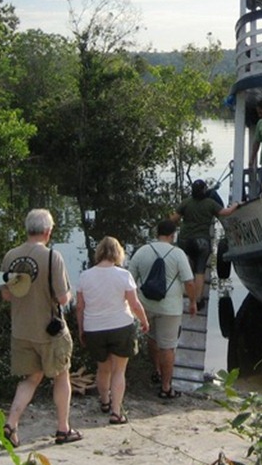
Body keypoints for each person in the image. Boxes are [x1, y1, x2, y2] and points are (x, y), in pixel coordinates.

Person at [0, 209, 82, 447]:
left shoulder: (10, 256)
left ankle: (12, 423)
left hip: (21, 330)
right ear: (48, 231)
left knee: (30, 378)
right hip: (49, 331)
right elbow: (63, 298)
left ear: (27, 229)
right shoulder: (52, 257)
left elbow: (6, 294)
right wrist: (70, 291)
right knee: (61, 375)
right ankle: (63, 428)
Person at [75, 236, 149, 426]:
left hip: (94, 328)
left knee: (103, 368)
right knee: (119, 370)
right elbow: (134, 304)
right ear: (118, 253)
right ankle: (116, 412)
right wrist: (144, 321)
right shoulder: (123, 275)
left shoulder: (85, 276)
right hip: (120, 326)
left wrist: (81, 329)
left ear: (99, 252)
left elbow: (80, 308)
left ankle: (105, 402)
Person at [127, 221, 194, 400]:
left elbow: (129, 279)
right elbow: (189, 281)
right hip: (170, 308)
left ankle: (156, 370)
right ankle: (166, 387)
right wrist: (193, 302)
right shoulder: (178, 254)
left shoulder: (142, 251)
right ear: (173, 234)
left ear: (157, 233)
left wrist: (131, 302)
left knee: (152, 337)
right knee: (168, 346)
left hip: (146, 305)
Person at [172, 180, 239, 311]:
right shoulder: (210, 204)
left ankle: (185, 295)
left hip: (185, 240)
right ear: (204, 190)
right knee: (200, 271)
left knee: (188, 265)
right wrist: (236, 205)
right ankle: (198, 300)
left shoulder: (186, 202)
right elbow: (225, 212)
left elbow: (173, 219)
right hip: (202, 242)